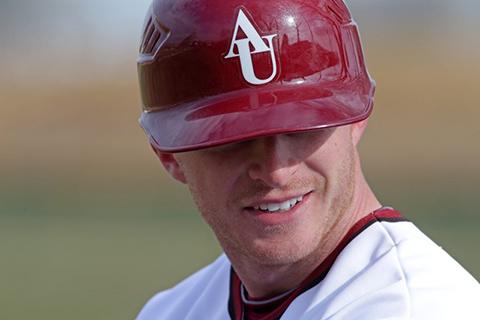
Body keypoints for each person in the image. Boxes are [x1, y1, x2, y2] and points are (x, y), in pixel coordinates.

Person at [135, 0, 480, 319]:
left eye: (301, 128)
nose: (276, 171)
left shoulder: (416, 308)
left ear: (356, 117)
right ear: (169, 155)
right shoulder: (170, 311)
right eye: (234, 141)